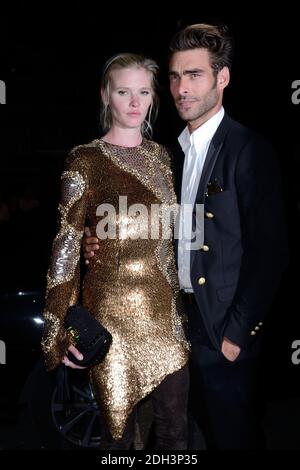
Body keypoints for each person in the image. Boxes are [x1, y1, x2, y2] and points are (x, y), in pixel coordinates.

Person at [83, 24, 289, 449]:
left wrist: (236, 336)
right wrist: (99, 238)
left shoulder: (248, 150)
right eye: (175, 77)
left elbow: (271, 253)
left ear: (222, 78)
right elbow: (148, 225)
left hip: (222, 335)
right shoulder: (170, 153)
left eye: (194, 74)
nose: (181, 88)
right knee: (185, 439)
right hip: (174, 328)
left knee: (233, 436)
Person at [41, 52, 190, 450]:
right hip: (112, 318)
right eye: (124, 91)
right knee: (118, 437)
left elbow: (176, 234)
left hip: (166, 316)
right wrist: (59, 328)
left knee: (175, 431)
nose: (135, 102)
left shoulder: (162, 157)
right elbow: (66, 244)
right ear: (106, 95)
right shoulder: (85, 158)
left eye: (143, 92)